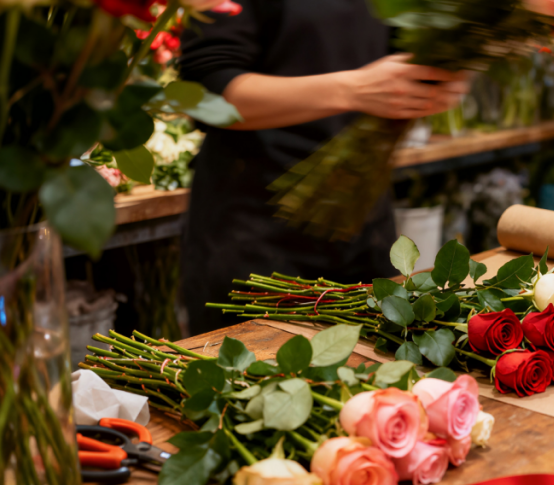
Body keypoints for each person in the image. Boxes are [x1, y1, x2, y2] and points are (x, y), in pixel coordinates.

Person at [178, 0, 466, 334]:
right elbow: (204, 92)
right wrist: (355, 89)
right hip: (257, 237)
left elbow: (400, 53)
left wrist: (439, 77)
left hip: (362, 227)